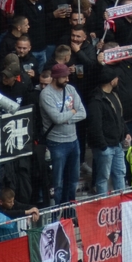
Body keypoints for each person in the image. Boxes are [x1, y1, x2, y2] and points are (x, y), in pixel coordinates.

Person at [39, 62, 85, 205]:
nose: (67, 79)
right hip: (56, 143)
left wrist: (67, 119)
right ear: (56, 77)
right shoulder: (46, 94)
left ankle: (70, 210)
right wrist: (72, 111)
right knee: (57, 183)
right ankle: (57, 212)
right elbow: (57, 118)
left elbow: (83, 113)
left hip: (73, 141)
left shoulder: (70, 89)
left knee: (73, 180)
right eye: (64, 77)